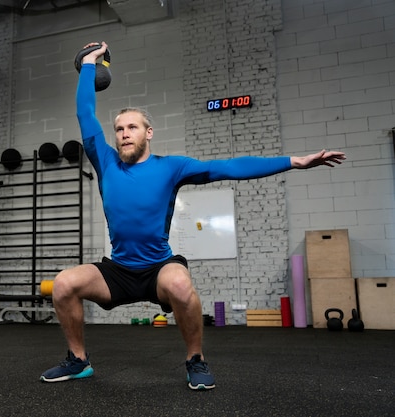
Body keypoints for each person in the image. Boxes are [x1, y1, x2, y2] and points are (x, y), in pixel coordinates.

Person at [40, 41, 346, 389]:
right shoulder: (105, 161)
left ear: (148, 133)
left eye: (132, 127)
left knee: (181, 285)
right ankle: (78, 360)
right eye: (120, 129)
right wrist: (90, 64)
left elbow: (229, 167)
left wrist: (294, 161)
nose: (124, 134)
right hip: (118, 269)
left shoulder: (172, 167)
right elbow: (85, 113)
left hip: (158, 266)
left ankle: (195, 359)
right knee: (64, 283)